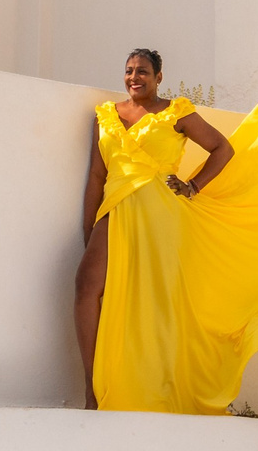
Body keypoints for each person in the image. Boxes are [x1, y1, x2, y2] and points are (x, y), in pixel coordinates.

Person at [74, 47, 232, 409]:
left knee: (156, 302)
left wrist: (193, 186)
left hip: (161, 213)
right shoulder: (105, 116)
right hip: (116, 208)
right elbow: (96, 175)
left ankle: (158, 389)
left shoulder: (177, 113)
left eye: (143, 71)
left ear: (158, 77)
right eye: (129, 70)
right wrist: (88, 228)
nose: (134, 77)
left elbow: (222, 148)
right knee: (86, 286)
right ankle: (93, 388)